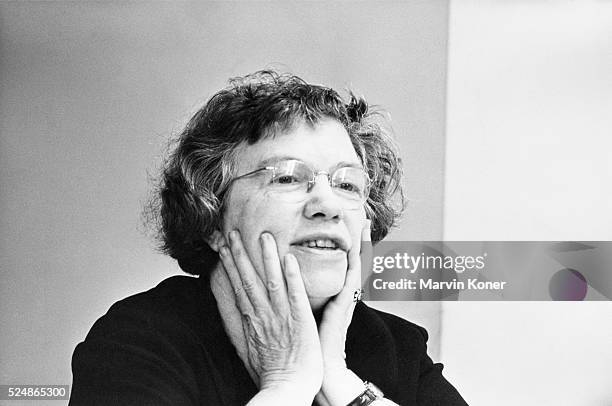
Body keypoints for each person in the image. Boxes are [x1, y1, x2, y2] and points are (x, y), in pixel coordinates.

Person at [69, 71, 467, 405]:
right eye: (288, 177)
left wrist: (341, 381)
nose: (327, 205)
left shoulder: (395, 346)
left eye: (348, 184)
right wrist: (286, 384)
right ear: (210, 214)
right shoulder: (141, 339)